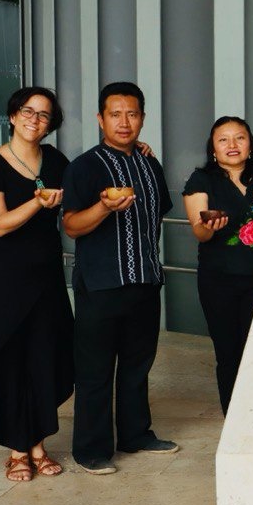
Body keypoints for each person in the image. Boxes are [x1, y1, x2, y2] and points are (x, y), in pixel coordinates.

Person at [62, 81, 177, 474]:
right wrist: (104, 208)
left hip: (145, 278)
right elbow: (72, 225)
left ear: (142, 118)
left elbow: (156, 214)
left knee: (137, 366)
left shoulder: (150, 164)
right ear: (101, 119)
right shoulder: (84, 166)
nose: (124, 122)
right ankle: (91, 450)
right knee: (95, 371)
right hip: (101, 284)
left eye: (132, 114)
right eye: (115, 114)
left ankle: (136, 434)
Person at [0, 88, 73, 482]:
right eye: (28, 111)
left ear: (50, 124)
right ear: (13, 116)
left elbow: (86, 183)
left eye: (44, 115)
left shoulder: (56, 161)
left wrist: (138, 151)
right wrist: (37, 202)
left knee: (44, 354)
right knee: (9, 357)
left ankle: (38, 445)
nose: (34, 119)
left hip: (45, 275)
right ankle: (17, 450)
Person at [182, 117, 253, 415]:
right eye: (223, 139)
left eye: (239, 138)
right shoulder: (202, 180)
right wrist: (209, 227)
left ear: (250, 144)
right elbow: (199, 232)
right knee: (228, 352)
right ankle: (235, 416)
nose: (232, 145)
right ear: (213, 148)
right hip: (219, 281)